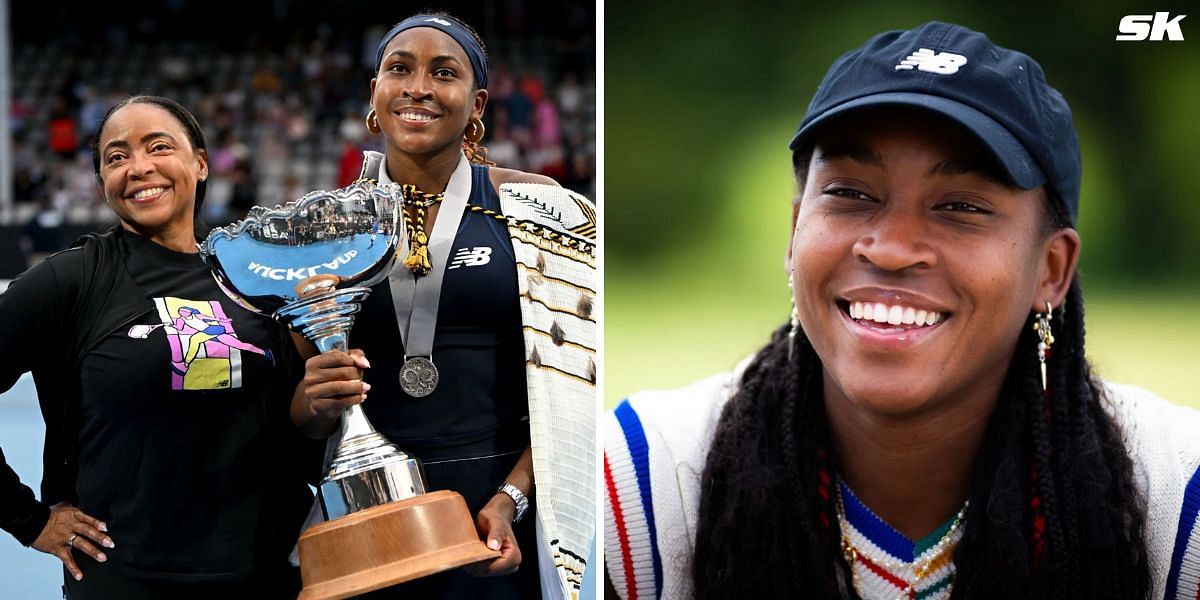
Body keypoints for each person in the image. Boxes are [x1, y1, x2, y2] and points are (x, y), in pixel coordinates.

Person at [603, 22, 1200, 599]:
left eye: (961, 205)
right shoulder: (643, 486)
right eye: (851, 194)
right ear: (793, 233)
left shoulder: (1177, 506)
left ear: (1051, 271)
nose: (889, 248)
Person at [293, 12, 597, 600]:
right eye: (399, 69)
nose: (419, 88)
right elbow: (294, 413)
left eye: (444, 73)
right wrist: (313, 401)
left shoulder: (542, 208)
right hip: (368, 514)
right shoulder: (320, 228)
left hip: (499, 512)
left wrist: (511, 500)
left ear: (476, 102)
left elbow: (578, 385)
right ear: (374, 93)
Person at [0, 95, 320, 599]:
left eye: (158, 147)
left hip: (270, 577)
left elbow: (297, 426)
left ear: (200, 162)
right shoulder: (70, 281)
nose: (139, 167)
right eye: (116, 157)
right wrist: (27, 519)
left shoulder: (257, 277)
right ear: (102, 182)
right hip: (128, 582)